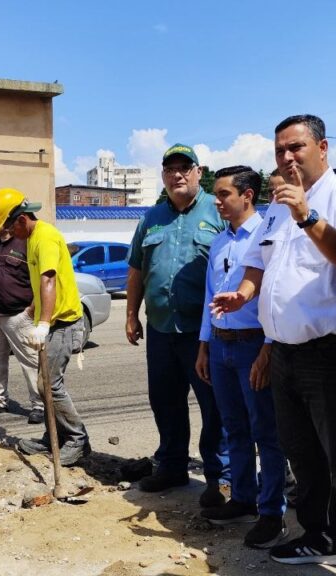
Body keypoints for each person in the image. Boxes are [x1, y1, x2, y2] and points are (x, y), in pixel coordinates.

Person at [212, 115, 336, 573]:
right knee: (304, 460)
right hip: (285, 354)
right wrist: (242, 294)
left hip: (330, 355)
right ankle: (319, 536)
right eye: (279, 150)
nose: (287, 157)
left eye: (296, 147)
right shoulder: (275, 207)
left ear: (322, 148)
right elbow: (258, 263)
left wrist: (308, 216)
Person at [125, 143, 228, 507]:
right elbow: (136, 268)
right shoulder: (151, 217)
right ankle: (171, 465)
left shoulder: (218, 211)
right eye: (170, 169)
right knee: (165, 400)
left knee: (214, 406)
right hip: (161, 328)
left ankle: (221, 477)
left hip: (204, 332)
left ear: (199, 172)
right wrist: (130, 314)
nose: (177, 175)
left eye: (185, 167)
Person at [195, 166, 287, 548]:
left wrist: (268, 347)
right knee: (234, 427)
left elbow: (275, 294)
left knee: (266, 431)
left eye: (223, 194)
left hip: (253, 345)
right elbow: (209, 295)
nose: (216, 201)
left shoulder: (269, 235)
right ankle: (244, 498)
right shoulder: (219, 242)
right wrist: (204, 344)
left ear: (247, 195)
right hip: (221, 346)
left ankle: (272, 512)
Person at [0, 187, 91, 465]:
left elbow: (48, 280)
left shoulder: (44, 237)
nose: (10, 234)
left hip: (63, 323)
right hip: (50, 321)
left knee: (49, 385)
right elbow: (38, 284)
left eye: (10, 228)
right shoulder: (32, 238)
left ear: (21, 219)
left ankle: (77, 439)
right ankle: (53, 435)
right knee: (44, 385)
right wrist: (32, 310)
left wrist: (43, 323)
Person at [0, 229, 43, 424]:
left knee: (31, 363)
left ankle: (39, 405)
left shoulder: (25, 244)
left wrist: (30, 311)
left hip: (18, 315)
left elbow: (42, 280)